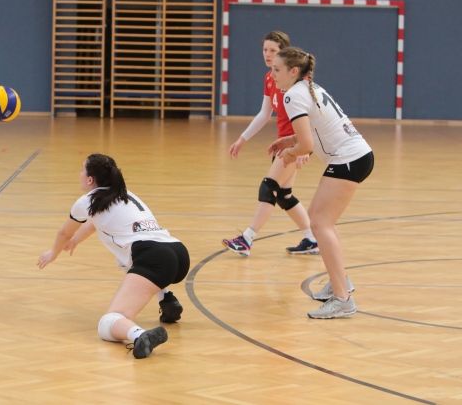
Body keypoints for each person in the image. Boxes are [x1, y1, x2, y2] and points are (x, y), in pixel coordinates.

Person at [37, 154, 190, 359]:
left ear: (90, 179)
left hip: (155, 257)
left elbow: (64, 232)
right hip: (177, 251)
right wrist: (75, 241)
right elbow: (93, 223)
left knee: (107, 323)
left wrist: (53, 253)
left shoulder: (87, 201)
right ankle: (167, 300)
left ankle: (139, 335)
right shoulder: (122, 193)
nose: (79, 173)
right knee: (125, 262)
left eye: (82, 169)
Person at [267, 47, 374, 319]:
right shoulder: (308, 88)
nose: (272, 74)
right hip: (356, 156)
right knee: (319, 219)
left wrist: (290, 154)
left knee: (321, 224)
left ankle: (343, 299)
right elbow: (316, 128)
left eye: (277, 69)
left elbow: (306, 146)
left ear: (293, 71)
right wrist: (290, 140)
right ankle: (341, 282)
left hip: (348, 159)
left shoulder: (293, 95)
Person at [222, 31, 317, 257]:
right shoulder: (270, 78)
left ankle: (247, 239)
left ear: (284, 54)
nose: (267, 54)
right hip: (284, 142)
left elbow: (314, 116)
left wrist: (305, 148)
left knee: (269, 187)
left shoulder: (298, 83)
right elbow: (265, 113)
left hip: (296, 144)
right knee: (284, 195)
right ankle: (312, 239)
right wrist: (242, 138)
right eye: (265, 50)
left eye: (273, 51)